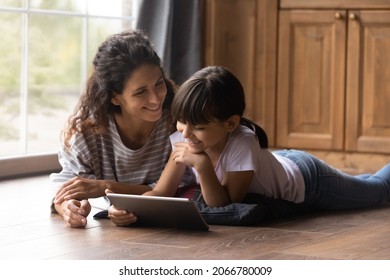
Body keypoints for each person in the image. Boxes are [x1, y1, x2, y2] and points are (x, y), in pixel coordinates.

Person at [108, 65, 390, 226]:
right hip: (281, 161)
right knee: (362, 184)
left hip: (309, 180)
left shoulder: (243, 141)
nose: (187, 134)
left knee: (377, 190)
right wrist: (126, 208)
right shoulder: (186, 136)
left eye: (199, 127)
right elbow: (161, 191)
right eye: (182, 122)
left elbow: (224, 204)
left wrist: (203, 166)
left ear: (230, 123)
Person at [50, 29, 183, 228]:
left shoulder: (178, 121)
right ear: (114, 97)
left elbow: (171, 189)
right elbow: (66, 185)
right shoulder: (88, 130)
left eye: (158, 84)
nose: (156, 99)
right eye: (141, 92)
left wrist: (106, 187)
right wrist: (69, 207)